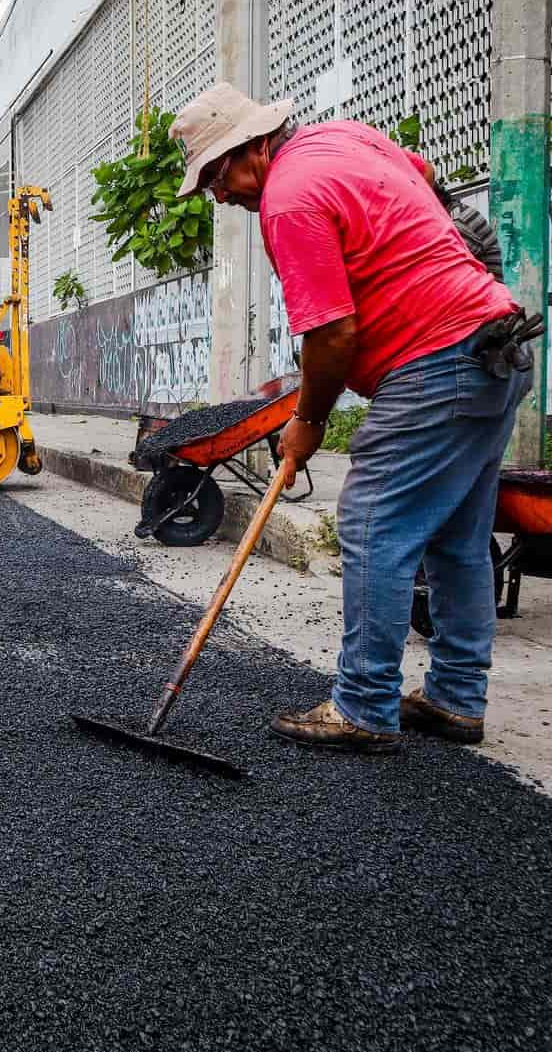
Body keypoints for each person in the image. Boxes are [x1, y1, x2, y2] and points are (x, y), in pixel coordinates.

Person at [173, 82, 534, 753]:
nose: (219, 196)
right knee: (458, 535)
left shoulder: (287, 198)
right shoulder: (345, 137)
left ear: (253, 147)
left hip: (439, 360)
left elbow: (333, 332)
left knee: (372, 521)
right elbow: (427, 181)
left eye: (218, 177)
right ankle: (457, 699)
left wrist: (308, 420)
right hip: (495, 345)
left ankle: (364, 704)